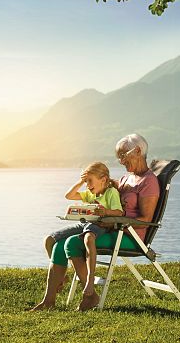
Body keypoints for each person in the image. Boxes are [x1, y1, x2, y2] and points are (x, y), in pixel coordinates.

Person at [31, 133, 160, 311]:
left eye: (123, 156)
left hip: (128, 235)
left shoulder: (149, 182)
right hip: (110, 227)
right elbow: (105, 187)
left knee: (71, 243)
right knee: (57, 244)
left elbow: (146, 220)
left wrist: (114, 221)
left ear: (137, 151)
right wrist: (92, 179)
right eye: (119, 157)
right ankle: (49, 301)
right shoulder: (126, 179)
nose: (121, 161)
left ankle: (90, 295)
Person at [44, 162, 123, 299]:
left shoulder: (111, 193)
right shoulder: (90, 194)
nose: (87, 185)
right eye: (86, 182)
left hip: (100, 224)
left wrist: (106, 211)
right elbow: (69, 195)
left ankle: (90, 279)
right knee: (50, 239)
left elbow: (119, 212)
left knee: (88, 238)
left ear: (103, 180)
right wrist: (81, 181)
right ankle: (62, 277)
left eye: (90, 181)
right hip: (85, 223)